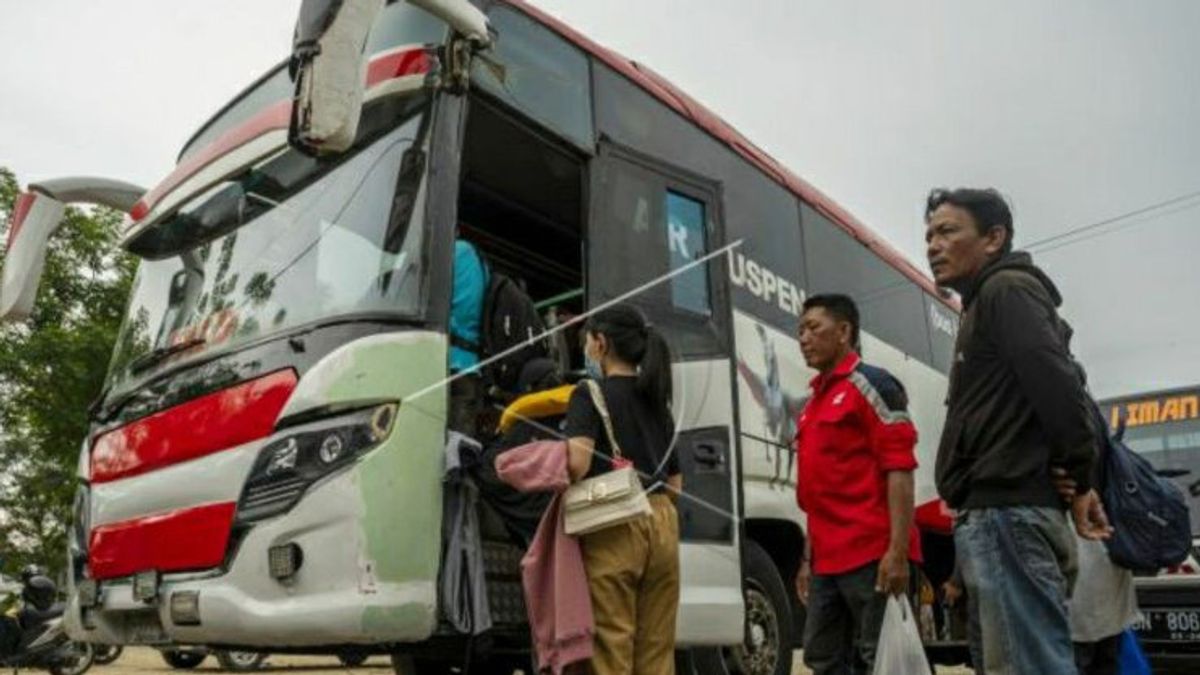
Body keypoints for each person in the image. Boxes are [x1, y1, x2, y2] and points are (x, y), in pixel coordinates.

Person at [924, 187, 1112, 674]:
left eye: (947, 231)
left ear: (994, 238)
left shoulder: (1006, 290)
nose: (932, 245)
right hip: (1000, 515)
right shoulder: (988, 301)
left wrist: (1081, 475)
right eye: (928, 235)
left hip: (1008, 514)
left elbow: (1058, 384)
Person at [793, 294, 921, 675]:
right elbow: (818, 492)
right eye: (800, 330)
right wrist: (807, 561)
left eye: (814, 328)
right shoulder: (812, 403)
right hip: (826, 561)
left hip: (872, 554)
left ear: (845, 331)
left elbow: (900, 468)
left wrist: (897, 552)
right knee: (821, 656)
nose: (803, 338)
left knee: (878, 659)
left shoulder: (873, 385)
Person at [563, 304, 681, 675]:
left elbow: (577, 464)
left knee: (612, 645)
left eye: (588, 342)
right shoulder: (657, 399)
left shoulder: (588, 393)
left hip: (615, 519)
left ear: (601, 342)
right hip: (663, 519)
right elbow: (677, 484)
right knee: (657, 648)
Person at [448, 236, 488, 437]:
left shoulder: (447, 254)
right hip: (472, 366)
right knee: (462, 447)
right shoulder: (481, 263)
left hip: (445, 363)